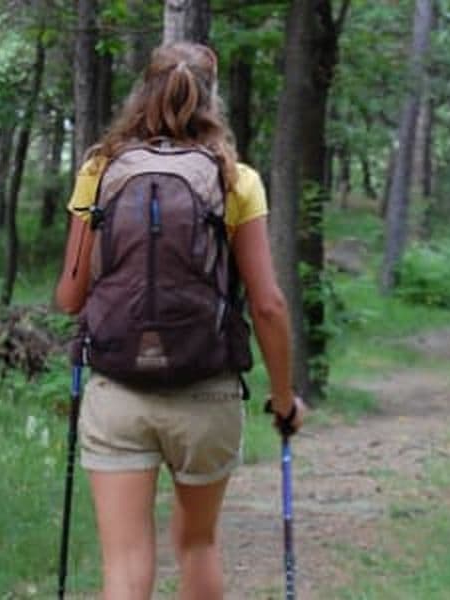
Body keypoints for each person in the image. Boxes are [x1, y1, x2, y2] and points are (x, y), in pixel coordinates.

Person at [55, 42, 305, 600]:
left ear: (142, 91)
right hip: (206, 391)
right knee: (197, 544)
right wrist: (284, 399)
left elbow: (71, 297)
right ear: (210, 100)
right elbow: (267, 305)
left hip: (117, 389)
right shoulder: (235, 179)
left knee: (123, 567)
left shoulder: (100, 171)